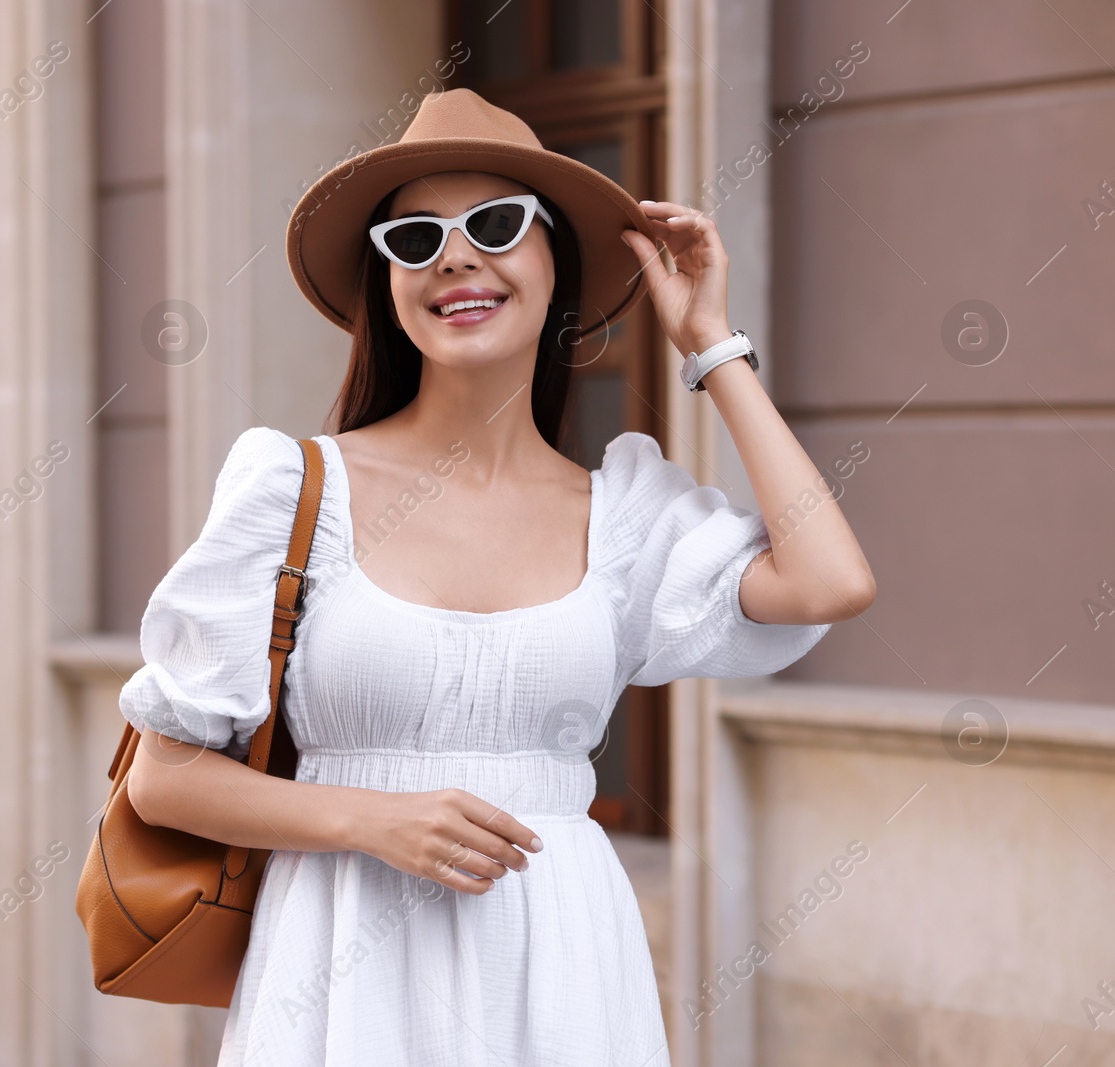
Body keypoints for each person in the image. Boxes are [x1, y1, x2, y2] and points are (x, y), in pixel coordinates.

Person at [120, 89, 874, 1066]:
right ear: (385, 279)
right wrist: (371, 816)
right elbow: (162, 776)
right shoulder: (294, 487)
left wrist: (712, 346)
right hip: (342, 975)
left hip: (558, 972)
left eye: (494, 224)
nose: (455, 255)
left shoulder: (625, 515)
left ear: (555, 264)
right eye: (415, 236)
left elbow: (827, 580)